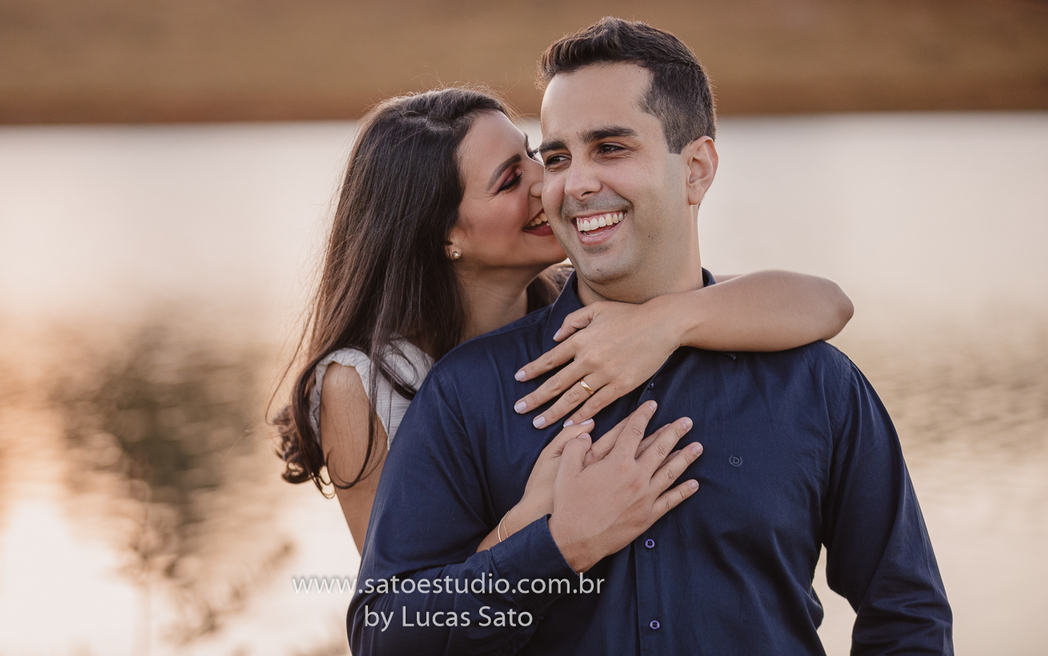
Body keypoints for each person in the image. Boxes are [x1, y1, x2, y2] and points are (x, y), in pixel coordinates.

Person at [348, 18, 951, 654]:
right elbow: (383, 636)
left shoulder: (815, 382)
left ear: (696, 169)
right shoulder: (468, 392)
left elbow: (906, 615)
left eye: (610, 148)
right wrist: (555, 547)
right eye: (556, 157)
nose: (574, 183)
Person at [274, 87, 853, 554]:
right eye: (509, 180)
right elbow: (410, 612)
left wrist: (668, 322)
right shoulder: (363, 383)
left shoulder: (590, 307)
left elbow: (827, 303)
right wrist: (539, 523)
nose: (554, 183)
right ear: (444, 232)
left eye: (533, 155)